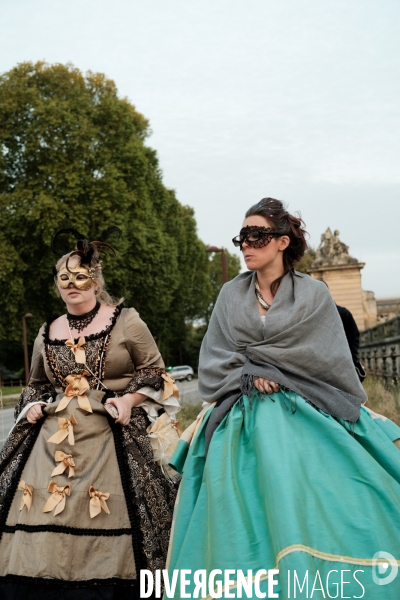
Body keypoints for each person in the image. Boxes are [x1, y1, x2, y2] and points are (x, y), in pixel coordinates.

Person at [167, 198, 400, 599]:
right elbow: (215, 358)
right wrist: (249, 374)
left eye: (257, 236)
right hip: (238, 410)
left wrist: (272, 372)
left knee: (337, 490)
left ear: (282, 241)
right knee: (233, 506)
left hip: (305, 403)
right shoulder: (228, 295)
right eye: (242, 237)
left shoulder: (314, 294)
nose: (246, 245)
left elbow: (325, 358)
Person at [0, 228, 179, 599]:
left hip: (112, 430)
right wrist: (33, 405)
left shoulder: (127, 320)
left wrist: (128, 401)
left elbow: (155, 372)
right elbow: (36, 384)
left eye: (80, 276)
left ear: (96, 281)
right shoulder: (47, 330)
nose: (72, 284)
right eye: (63, 278)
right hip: (52, 440)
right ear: (57, 285)